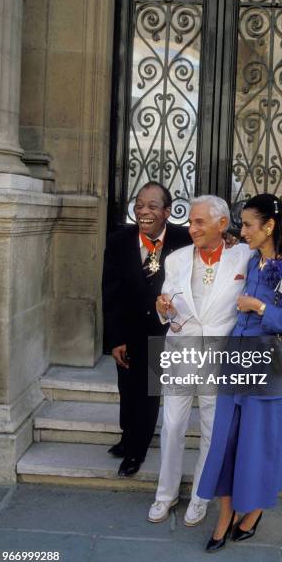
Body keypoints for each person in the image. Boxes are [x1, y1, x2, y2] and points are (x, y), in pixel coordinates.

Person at [197, 193, 282, 552]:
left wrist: (260, 306)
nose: (242, 230)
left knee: (259, 445)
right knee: (225, 442)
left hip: (269, 369)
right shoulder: (249, 260)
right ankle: (225, 515)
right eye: (241, 223)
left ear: (270, 226)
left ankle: (256, 509)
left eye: (248, 224)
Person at [147, 196, 252, 526]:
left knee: (211, 428)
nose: (191, 228)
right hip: (181, 349)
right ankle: (165, 494)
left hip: (220, 354)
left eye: (199, 222)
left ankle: (201, 496)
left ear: (222, 225)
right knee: (174, 424)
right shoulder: (176, 259)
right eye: (190, 222)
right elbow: (166, 299)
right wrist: (162, 307)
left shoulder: (243, 256)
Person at [102, 182, 191, 477]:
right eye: (139, 205)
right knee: (127, 389)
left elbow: (214, 244)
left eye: (152, 206)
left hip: (164, 331)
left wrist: (228, 241)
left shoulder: (184, 238)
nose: (144, 211)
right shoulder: (119, 240)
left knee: (148, 392)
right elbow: (110, 292)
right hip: (129, 330)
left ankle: (136, 451)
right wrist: (115, 339)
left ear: (167, 212)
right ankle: (127, 437)